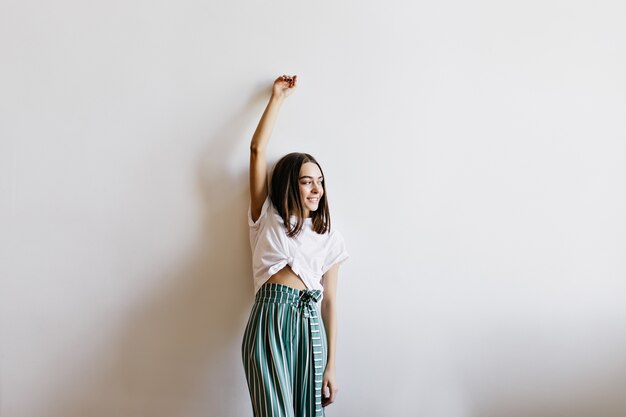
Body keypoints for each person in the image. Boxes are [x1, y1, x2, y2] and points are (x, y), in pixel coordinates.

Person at [241, 75, 349, 417]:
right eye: (306, 181)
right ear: (290, 184)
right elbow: (257, 150)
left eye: (319, 182)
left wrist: (331, 365)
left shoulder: (330, 238)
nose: (316, 189)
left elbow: (330, 301)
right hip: (269, 320)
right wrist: (277, 99)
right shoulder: (267, 215)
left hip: (309, 325)